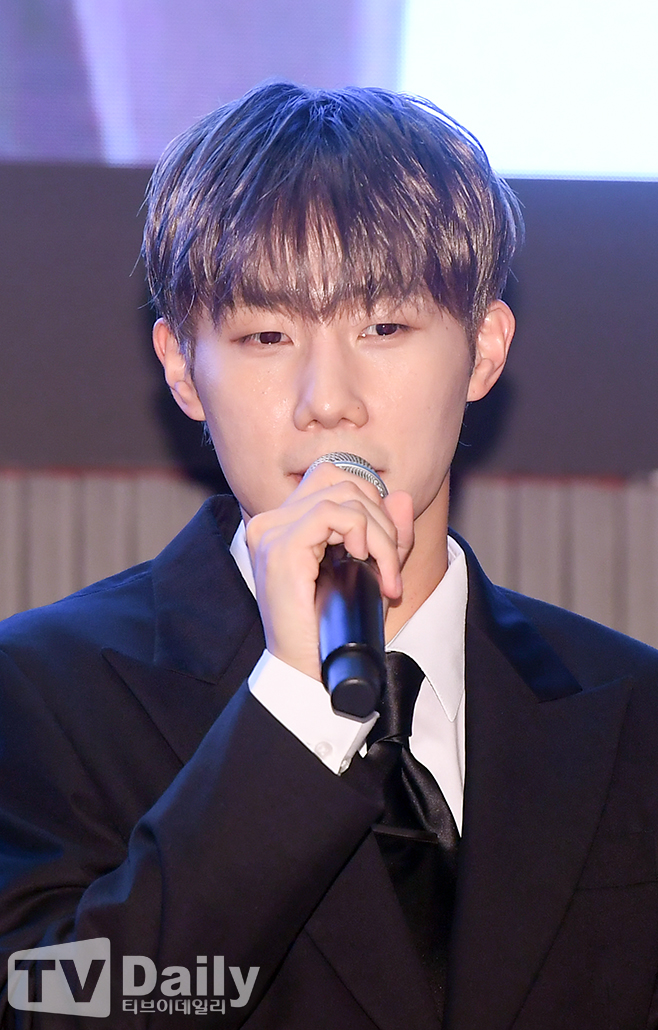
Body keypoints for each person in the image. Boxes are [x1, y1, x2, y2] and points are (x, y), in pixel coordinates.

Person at [1, 81, 658, 1030]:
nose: (328, 401)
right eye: (266, 335)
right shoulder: (42, 694)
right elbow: (57, 1009)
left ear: (483, 349)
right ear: (183, 369)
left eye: (383, 328)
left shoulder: (634, 713)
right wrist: (294, 713)